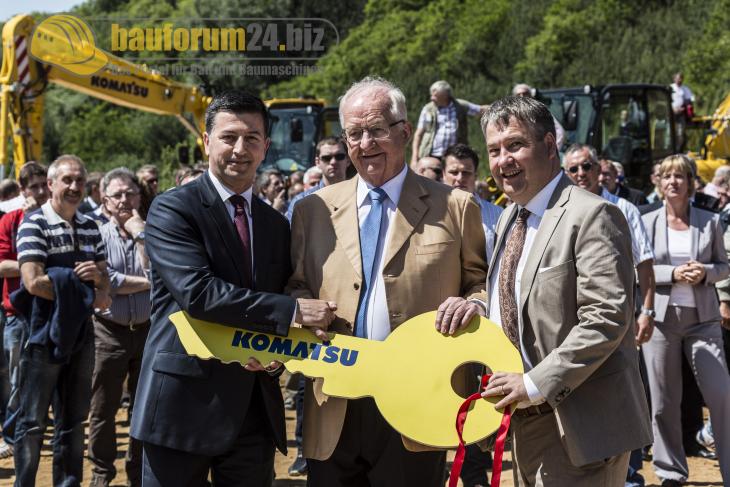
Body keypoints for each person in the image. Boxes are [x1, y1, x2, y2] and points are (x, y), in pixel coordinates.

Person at [287, 76, 488, 487]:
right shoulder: (313, 210)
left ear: (405, 131)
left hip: (417, 398)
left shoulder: (455, 207)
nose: (365, 144)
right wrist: (302, 309)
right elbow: (296, 284)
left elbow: (481, 285)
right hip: (334, 398)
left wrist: (474, 304)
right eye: (354, 134)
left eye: (376, 130)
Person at [130, 90, 334, 487]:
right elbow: (198, 294)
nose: (240, 149)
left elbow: (277, 295)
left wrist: (277, 356)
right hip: (182, 404)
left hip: (252, 409)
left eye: (251, 138)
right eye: (228, 137)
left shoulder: (275, 225)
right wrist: (293, 312)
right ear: (207, 142)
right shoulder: (173, 209)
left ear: (266, 147)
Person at [480, 95, 651, 486]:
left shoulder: (592, 215)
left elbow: (606, 318)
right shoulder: (509, 217)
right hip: (524, 420)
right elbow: (513, 302)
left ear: (548, 145)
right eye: (494, 150)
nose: (503, 160)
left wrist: (533, 383)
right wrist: (475, 304)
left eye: (515, 145)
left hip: (580, 426)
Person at [14, 154, 110, 487]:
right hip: (42, 334)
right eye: (67, 179)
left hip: (82, 334)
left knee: (73, 420)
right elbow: (32, 283)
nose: (74, 186)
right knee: (32, 422)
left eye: (79, 180)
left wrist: (96, 279)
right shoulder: (34, 223)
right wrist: (84, 289)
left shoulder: (91, 226)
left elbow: (105, 285)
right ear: (51, 183)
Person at [564, 143, 656, 487]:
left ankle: (630, 474)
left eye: (586, 166)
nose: (581, 174)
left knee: (623, 391)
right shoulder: (562, 211)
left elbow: (644, 266)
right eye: (573, 169)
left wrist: (647, 311)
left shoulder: (623, 208)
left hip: (621, 317)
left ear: (599, 169)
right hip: (575, 321)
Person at [641, 154, 730, 486]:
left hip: (703, 320)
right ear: (659, 182)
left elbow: (724, 266)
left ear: (691, 182)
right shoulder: (646, 221)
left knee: (721, 394)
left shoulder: (711, 221)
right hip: (661, 321)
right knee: (663, 401)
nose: (673, 181)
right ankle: (671, 471)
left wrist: (705, 272)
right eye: (667, 176)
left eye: (680, 176)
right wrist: (673, 273)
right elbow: (637, 271)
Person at [88, 168, 151, 487]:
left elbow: (161, 271)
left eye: (130, 193)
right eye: (117, 195)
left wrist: (140, 234)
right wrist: (148, 283)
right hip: (108, 331)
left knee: (143, 409)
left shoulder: (151, 232)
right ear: (105, 200)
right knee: (103, 408)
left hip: (147, 331)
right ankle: (102, 472)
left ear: (139, 198)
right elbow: (107, 281)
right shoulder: (96, 234)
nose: (124, 200)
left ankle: (137, 473)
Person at [0, 162, 49, 459]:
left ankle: (39, 432)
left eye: (44, 185)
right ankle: (11, 436)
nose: (41, 192)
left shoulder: (61, 218)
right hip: (18, 313)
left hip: (53, 311)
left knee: (51, 378)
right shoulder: (11, 220)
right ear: (22, 190)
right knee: (17, 380)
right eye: (34, 187)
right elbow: (2, 265)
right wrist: (33, 264)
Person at [443, 143, 503, 262]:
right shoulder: (428, 214)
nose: (460, 178)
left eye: (466, 172)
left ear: (475, 175)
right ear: (443, 174)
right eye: (454, 172)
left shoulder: (498, 215)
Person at [411, 80, 489, 167]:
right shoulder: (428, 109)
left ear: (446, 96)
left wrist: (497, 107)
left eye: (435, 96)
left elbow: (480, 110)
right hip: (430, 155)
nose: (432, 98)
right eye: (431, 95)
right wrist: (414, 158)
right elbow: (418, 134)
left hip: (454, 155)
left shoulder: (460, 106)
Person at [286, 136, 350, 221]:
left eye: (339, 156)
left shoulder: (360, 195)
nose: (333, 162)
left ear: (348, 160)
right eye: (327, 158)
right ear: (317, 162)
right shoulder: (302, 202)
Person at [512, 83, 565, 149]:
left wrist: (553, 150)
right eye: (518, 95)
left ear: (531, 96)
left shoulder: (540, 112)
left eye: (525, 94)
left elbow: (559, 132)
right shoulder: (510, 115)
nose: (522, 96)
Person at [670, 73, 695, 152]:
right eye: (678, 78)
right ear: (674, 79)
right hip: (671, 114)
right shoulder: (670, 88)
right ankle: (670, 150)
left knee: (680, 133)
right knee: (670, 133)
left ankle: (678, 150)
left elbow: (690, 99)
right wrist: (673, 109)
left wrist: (685, 107)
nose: (679, 80)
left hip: (681, 114)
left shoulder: (685, 89)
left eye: (681, 78)